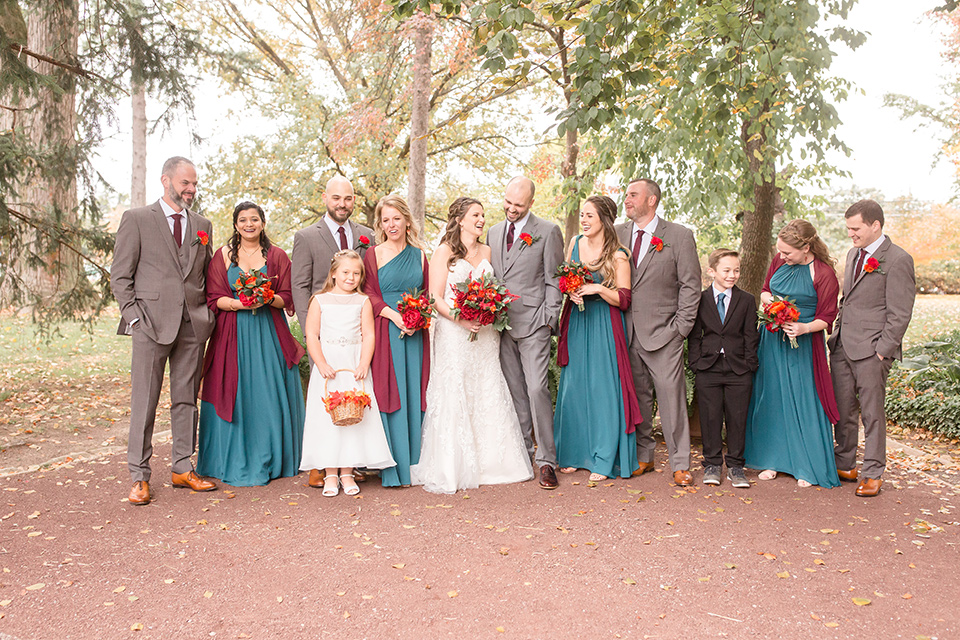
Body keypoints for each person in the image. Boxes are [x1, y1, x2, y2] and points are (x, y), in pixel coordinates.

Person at [110, 156, 217, 505]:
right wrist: (133, 317)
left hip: (191, 326)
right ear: (165, 180)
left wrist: (207, 316)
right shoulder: (137, 219)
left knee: (186, 401)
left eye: (195, 184)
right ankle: (139, 477)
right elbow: (121, 276)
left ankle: (182, 468)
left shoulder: (202, 224)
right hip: (149, 325)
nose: (191, 190)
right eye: (185, 183)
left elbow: (204, 273)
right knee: (145, 401)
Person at [410, 198, 533, 494]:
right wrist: (460, 319)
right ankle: (455, 465)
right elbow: (436, 297)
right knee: (457, 389)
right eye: (475, 215)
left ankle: (492, 463)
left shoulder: (488, 250)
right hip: (455, 333)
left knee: (487, 388)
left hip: (487, 334)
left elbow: (494, 290)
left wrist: (490, 310)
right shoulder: (444, 252)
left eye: (482, 215)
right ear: (460, 220)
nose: (481, 220)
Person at [197, 202, 306, 486]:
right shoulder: (222, 256)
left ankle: (274, 457)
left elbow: (287, 297)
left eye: (254, 219)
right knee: (236, 392)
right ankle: (227, 459)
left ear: (262, 223)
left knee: (266, 396)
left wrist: (267, 298)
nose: (249, 224)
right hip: (232, 334)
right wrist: (239, 303)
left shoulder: (278, 256)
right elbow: (213, 297)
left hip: (268, 333)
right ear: (235, 225)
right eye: (243, 220)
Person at [615, 179, 701, 485]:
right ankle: (644, 456)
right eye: (626, 194)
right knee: (637, 398)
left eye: (632, 195)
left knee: (672, 400)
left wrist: (681, 329)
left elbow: (691, 286)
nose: (626, 199)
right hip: (626, 331)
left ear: (651, 200)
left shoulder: (678, 236)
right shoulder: (617, 234)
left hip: (665, 334)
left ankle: (680, 463)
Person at [744, 220, 841, 488]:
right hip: (773, 340)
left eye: (787, 252)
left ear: (806, 247)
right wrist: (775, 307)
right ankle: (772, 459)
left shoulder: (823, 274)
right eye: (780, 251)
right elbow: (765, 291)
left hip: (804, 345)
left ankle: (805, 464)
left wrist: (803, 327)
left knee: (803, 399)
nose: (782, 256)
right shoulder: (778, 261)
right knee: (772, 396)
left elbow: (827, 317)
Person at [291, 175, 374, 488]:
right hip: (324, 332)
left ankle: (352, 463)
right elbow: (299, 284)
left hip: (356, 328)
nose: (343, 204)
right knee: (326, 399)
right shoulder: (306, 236)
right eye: (337, 198)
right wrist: (311, 329)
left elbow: (369, 281)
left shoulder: (367, 235)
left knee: (355, 396)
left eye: (348, 198)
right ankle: (323, 464)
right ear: (325, 198)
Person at [830, 200, 916, 497]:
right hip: (842, 346)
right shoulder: (854, 254)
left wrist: (883, 351)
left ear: (875, 225)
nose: (851, 234)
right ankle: (845, 463)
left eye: (855, 228)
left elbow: (900, 312)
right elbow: (848, 298)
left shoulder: (898, 259)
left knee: (872, 414)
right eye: (849, 228)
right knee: (843, 410)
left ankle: (873, 473)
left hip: (872, 351)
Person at [554, 196, 641, 481]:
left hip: (604, 325)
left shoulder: (618, 254)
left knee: (602, 390)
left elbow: (624, 299)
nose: (584, 221)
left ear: (604, 219)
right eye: (582, 215)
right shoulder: (575, 243)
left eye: (590, 216)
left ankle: (603, 459)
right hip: (578, 322)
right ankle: (572, 454)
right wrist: (571, 291)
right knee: (574, 388)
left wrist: (597, 290)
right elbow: (566, 278)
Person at [488, 177, 564, 490]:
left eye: (518, 205)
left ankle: (547, 460)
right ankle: (522, 453)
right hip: (499, 325)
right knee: (514, 391)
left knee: (536, 390)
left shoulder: (548, 231)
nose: (511, 209)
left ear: (531, 203)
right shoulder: (492, 232)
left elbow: (554, 278)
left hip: (534, 323)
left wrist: (549, 318)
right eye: (508, 202)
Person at [299, 251, 396, 497]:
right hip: (329, 364)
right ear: (333, 273)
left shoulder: (362, 301)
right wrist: (320, 363)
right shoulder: (319, 300)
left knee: (353, 417)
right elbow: (312, 334)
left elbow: (369, 335)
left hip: (353, 365)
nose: (351, 278)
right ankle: (330, 472)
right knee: (329, 419)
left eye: (356, 273)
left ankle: (347, 472)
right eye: (345, 272)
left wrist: (364, 362)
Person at [363, 195, 430, 487]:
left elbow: (427, 293)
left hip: (416, 334)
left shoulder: (420, 254)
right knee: (390, 391)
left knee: (416, 391)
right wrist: (395, 317)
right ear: (380, 223)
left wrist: (417, 319)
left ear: (406, 219)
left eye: (396, 218)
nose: (391, 225)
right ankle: (392, 466)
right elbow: (368, 293)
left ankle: (416, 465)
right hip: (387, 328)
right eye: (385, 220)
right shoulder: (373, 254)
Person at [687, 249, 759, 489]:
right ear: (712, 271)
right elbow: (695, 335)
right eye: (727, 270)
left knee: (737, 418)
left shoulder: (747, 300)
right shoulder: (700, 299)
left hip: (739, 368)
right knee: (710, 417)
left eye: (736, 270)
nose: (732, 275)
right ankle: (712, 464)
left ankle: (736, 466)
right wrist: (696, 363)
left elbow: (751, 336)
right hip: (708, 367)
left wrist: (750, 364)